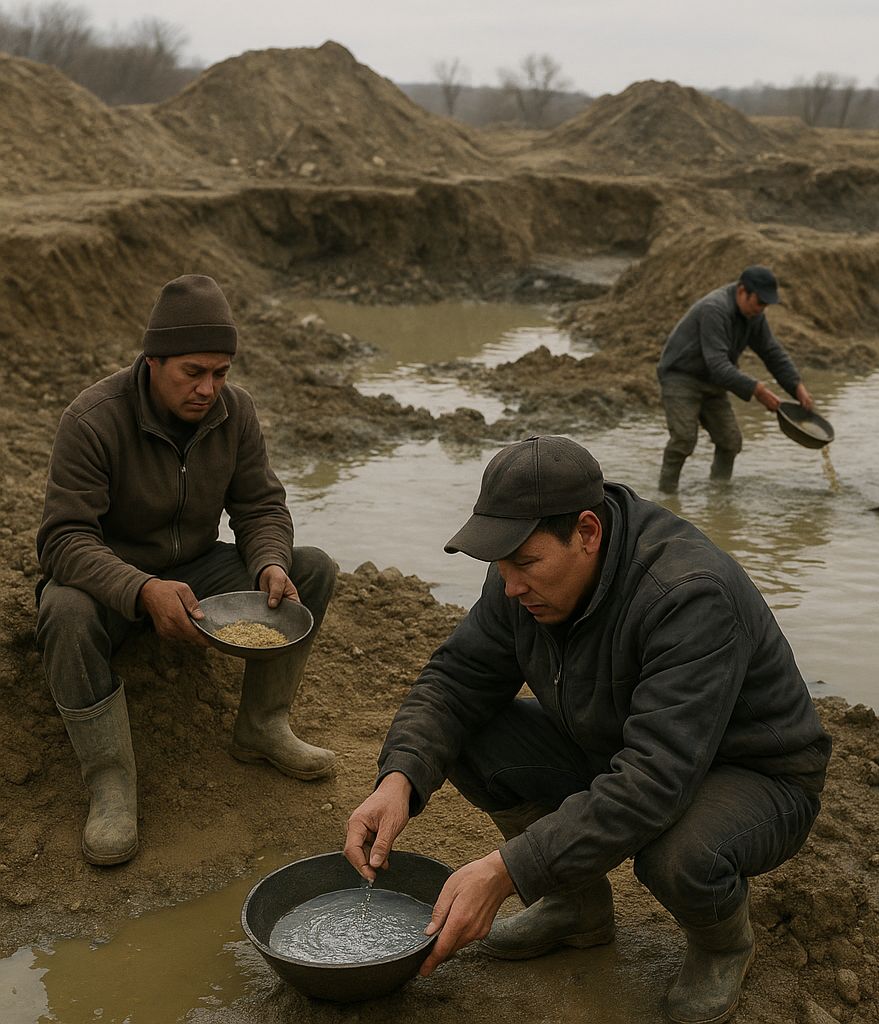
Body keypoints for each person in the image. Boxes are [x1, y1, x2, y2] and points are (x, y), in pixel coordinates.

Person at [344, 435, 829, 1024]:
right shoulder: (518, 579)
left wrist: (507, 871)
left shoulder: (689, 595)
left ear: (588, 532)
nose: (511, 585)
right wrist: (398, 778)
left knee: (678, 854)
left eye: (526, 564)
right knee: (469, 737)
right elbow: (456, 681)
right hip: (619, 744)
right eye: (501, 565)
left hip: (754, 774)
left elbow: (653, 781)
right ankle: (577, 908)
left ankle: (722, 943)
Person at [36, 274, 339, 867]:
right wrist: (141, 588)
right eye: (192, 372)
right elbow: (63, 539)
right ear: (153, 362)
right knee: (63, 610)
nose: (208, 389)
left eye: (220, 373)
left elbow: (260, 506)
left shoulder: (235, 412)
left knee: (312, 569)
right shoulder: (93, 419)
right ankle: (110, 780)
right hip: (112, 581)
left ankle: (262, 726)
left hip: (197, 571)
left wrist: (270, 562)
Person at [655, 265, 816, 492]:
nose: (761, 309)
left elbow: (771, 353)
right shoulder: (714, 309)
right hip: (681, 376)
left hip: (714, 381)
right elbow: (718, 365)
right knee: (684, 439)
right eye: (759, 302)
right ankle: (665, 495)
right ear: (742, 291)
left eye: (765, 305)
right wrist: (758, 390)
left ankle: (719, 494)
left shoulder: (754, 315)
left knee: (730, 442)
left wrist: (797, 386)